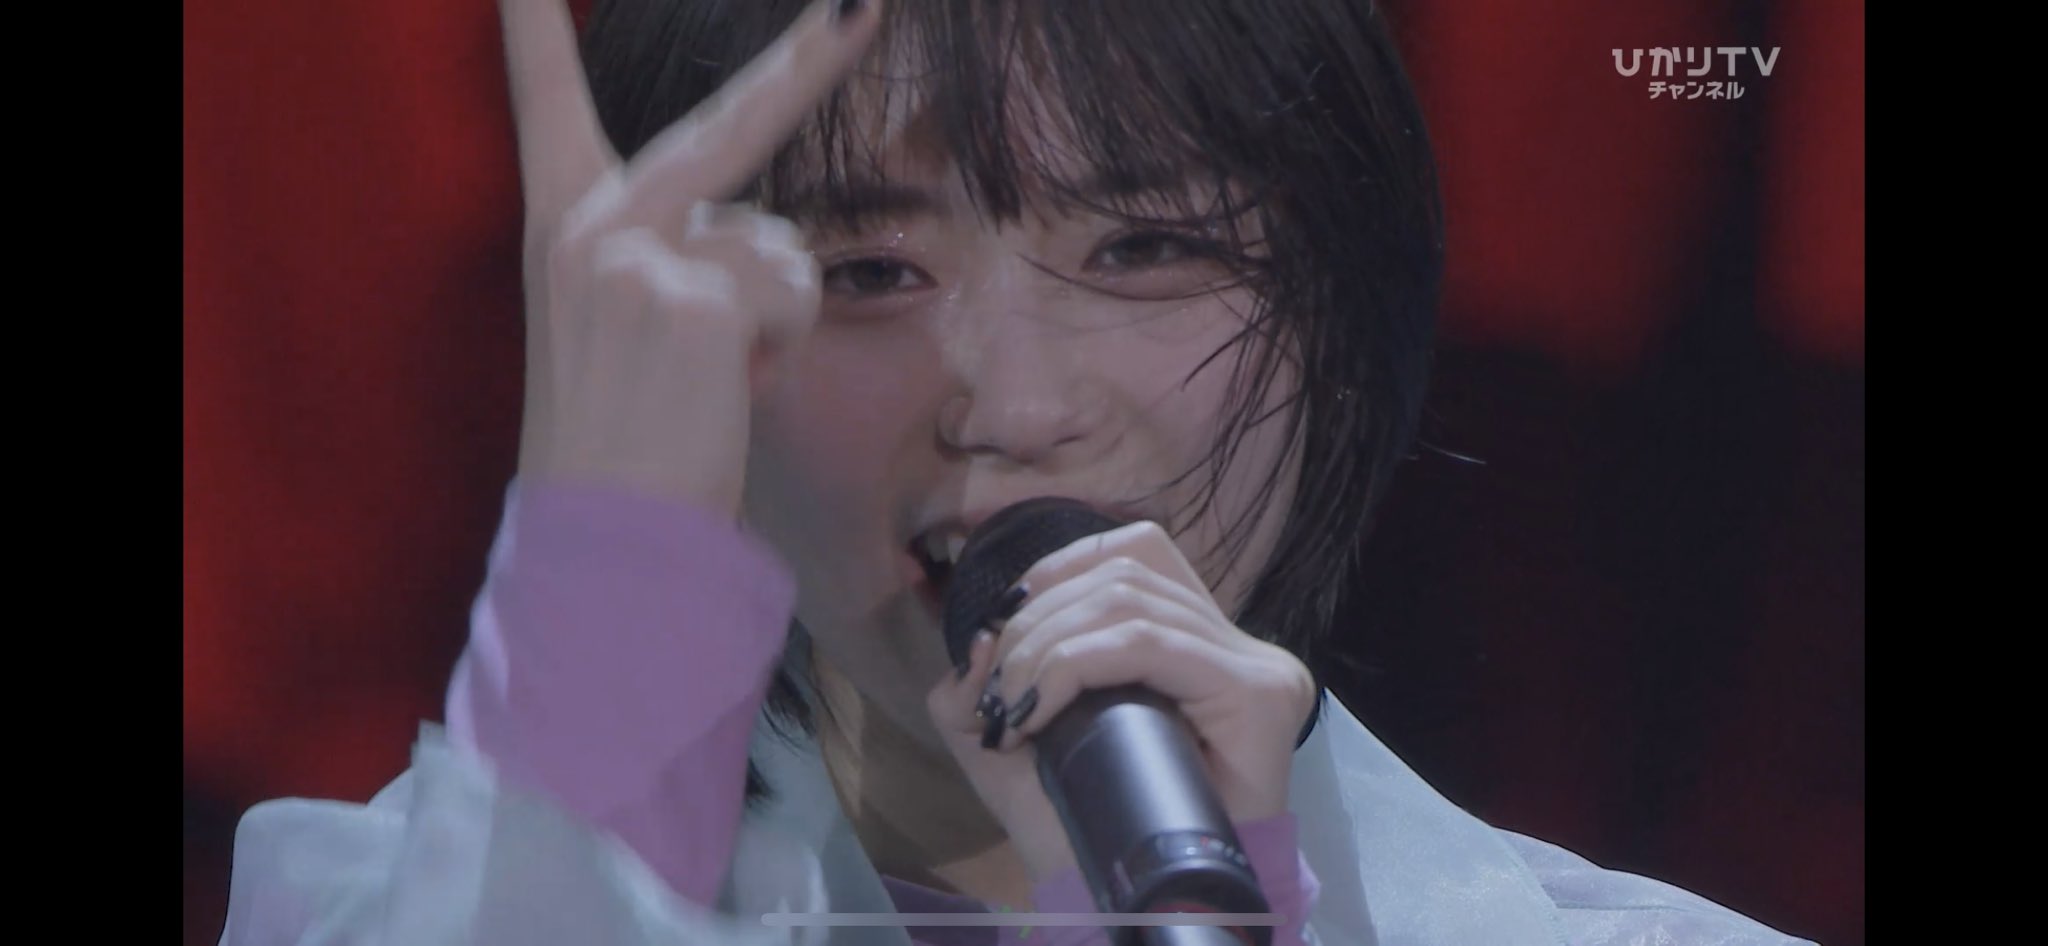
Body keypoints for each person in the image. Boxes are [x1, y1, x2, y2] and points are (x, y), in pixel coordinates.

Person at [215, 0, 1816, 943]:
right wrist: (604, 631)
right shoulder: (365, 907)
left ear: (1340, 321)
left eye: (1143, 248)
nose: (1012, 406)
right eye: (869, 271)